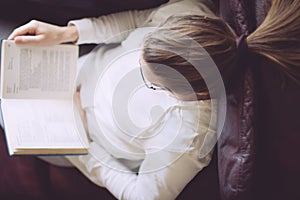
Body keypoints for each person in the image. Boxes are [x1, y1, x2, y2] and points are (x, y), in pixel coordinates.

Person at [8, 0, 300, 199]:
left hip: (78, 138)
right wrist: (69, 32)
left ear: (179, 97)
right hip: (73, 66)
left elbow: (145, 195)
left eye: (148, 81)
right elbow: (136, 20)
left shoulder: (190, 134)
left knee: (6, 112)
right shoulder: (186, 13)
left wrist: (82, 146)